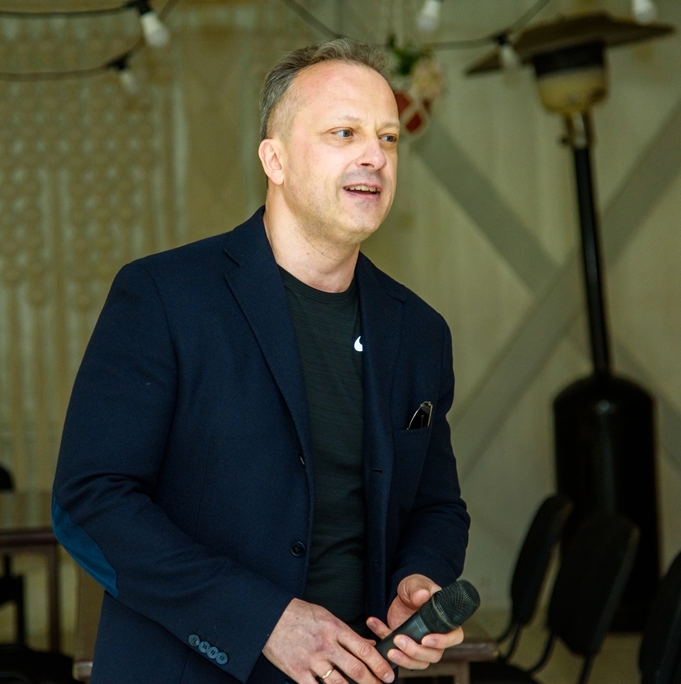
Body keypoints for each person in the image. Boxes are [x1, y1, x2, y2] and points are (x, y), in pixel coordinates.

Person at [52, 38, 471, 684]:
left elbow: (437, 507)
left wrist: (419, 579)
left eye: (388, 138)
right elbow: (90, 502)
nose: (375, 155)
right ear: (274, 159)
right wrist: (262, 621)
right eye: (344, 133)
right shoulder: (163, 297)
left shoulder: (419, 332)